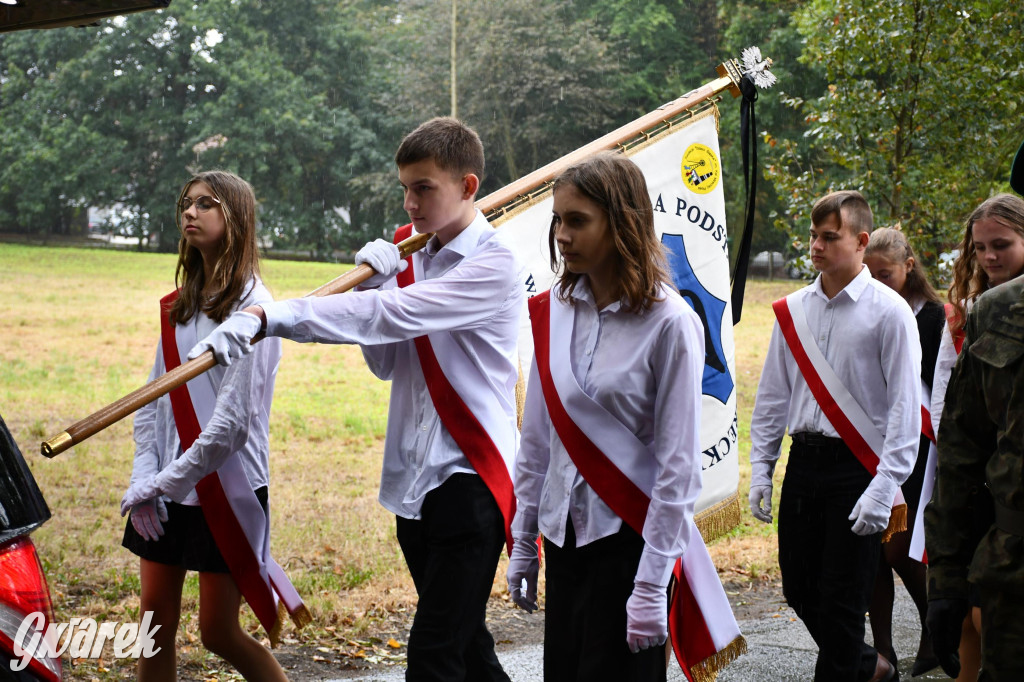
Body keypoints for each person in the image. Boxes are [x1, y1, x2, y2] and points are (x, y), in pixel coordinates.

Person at [191, 117, 522, 682]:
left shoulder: (495, 263)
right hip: (415, 482)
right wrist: (377, 280)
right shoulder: (414, 257)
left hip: (471, 479)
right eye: (404, 187)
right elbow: (387, 360)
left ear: (468, 187)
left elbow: (394, 315)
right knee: (466, 647)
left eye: (424, 188)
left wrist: (272, 315)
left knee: (434, 653)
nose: (410, 202)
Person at [504, 152, 704, 681]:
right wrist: (524, 539)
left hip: (628, 543)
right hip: (566, 537)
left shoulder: (670, 323)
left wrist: (649, 583)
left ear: (623, 224)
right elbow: (538, 438)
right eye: (557, 220)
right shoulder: (555, 310)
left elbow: (678, 467)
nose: (562, 236)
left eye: (577, 221)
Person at [119, 170, 299, 681]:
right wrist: (145, 473)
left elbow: (231, 426)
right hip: (168, 487)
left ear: (235, 217)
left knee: (218, 631)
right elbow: (152, 399)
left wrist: (168, 478)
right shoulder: (181, 303)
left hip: (227, 485)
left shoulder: (254, 307)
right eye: (185, 203)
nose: (189, 213)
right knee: (153, 627)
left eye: (205, 203)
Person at [748, 190, 921, 682]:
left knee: (844, 601)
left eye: (830, 237)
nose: (816, 246)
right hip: (804, 463)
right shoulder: (793, 310)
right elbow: (772, 396)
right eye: (813, 236)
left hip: (858, 470)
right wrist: (762, 469)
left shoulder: (890, 312)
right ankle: (872, 667)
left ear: (861, 241)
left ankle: (856, 669)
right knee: (799, 589)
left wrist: (885, 487)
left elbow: (905, 409)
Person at [925, 192, 1024, 681]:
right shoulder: (994, 312)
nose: (989, 257)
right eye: (982, 247)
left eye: (1001, 244)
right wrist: (945, 580)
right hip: (1015, 565)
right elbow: (962, 450)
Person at [863, 227, 944, 676]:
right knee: (874, 551)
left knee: (897, 548)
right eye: (869, 275)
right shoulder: (871, 309)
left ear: (909, 267)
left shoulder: (932, 316)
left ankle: (935, 627)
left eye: (886, 275)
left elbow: (937, 383)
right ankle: (884, 650)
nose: (877, 283)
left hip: (917, 442)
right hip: (870, 437)